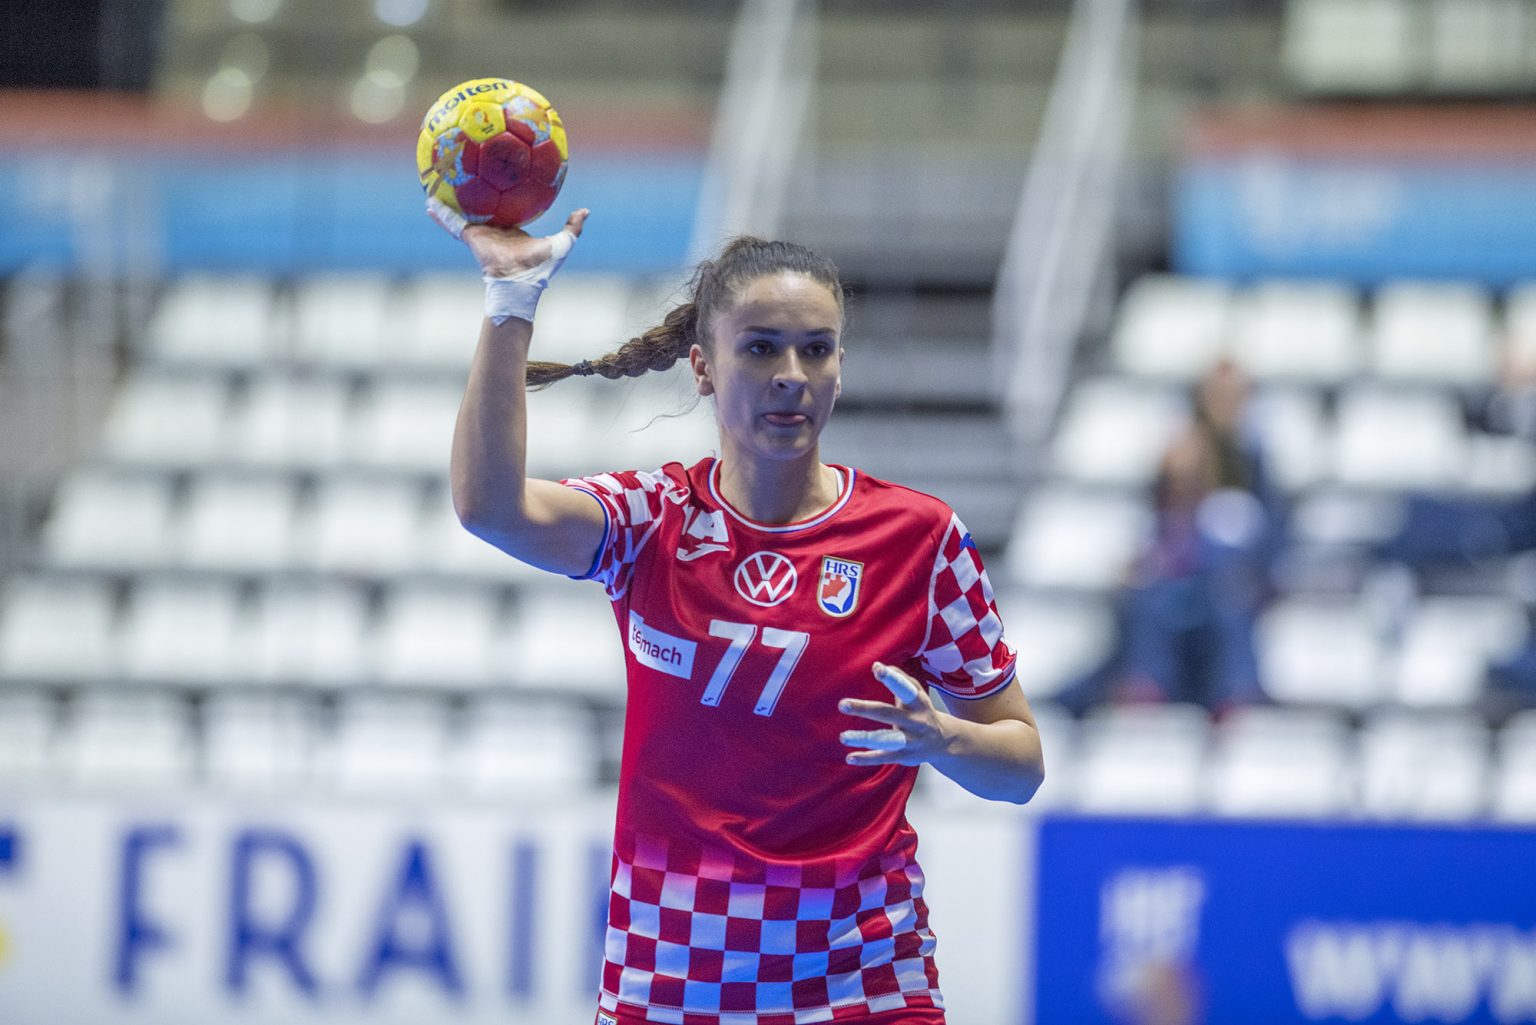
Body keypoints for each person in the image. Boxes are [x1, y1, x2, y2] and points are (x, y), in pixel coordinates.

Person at [430, 199, 1044, 1025]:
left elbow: (1022, 763)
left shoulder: (921, 540)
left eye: (816, 348)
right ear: (703, 367)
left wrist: (945, 738)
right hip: (666, 986)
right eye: (760, 348)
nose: (792, 373)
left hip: (865, 987)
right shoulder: (652, 520)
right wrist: (510, 300)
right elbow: (490, 507)